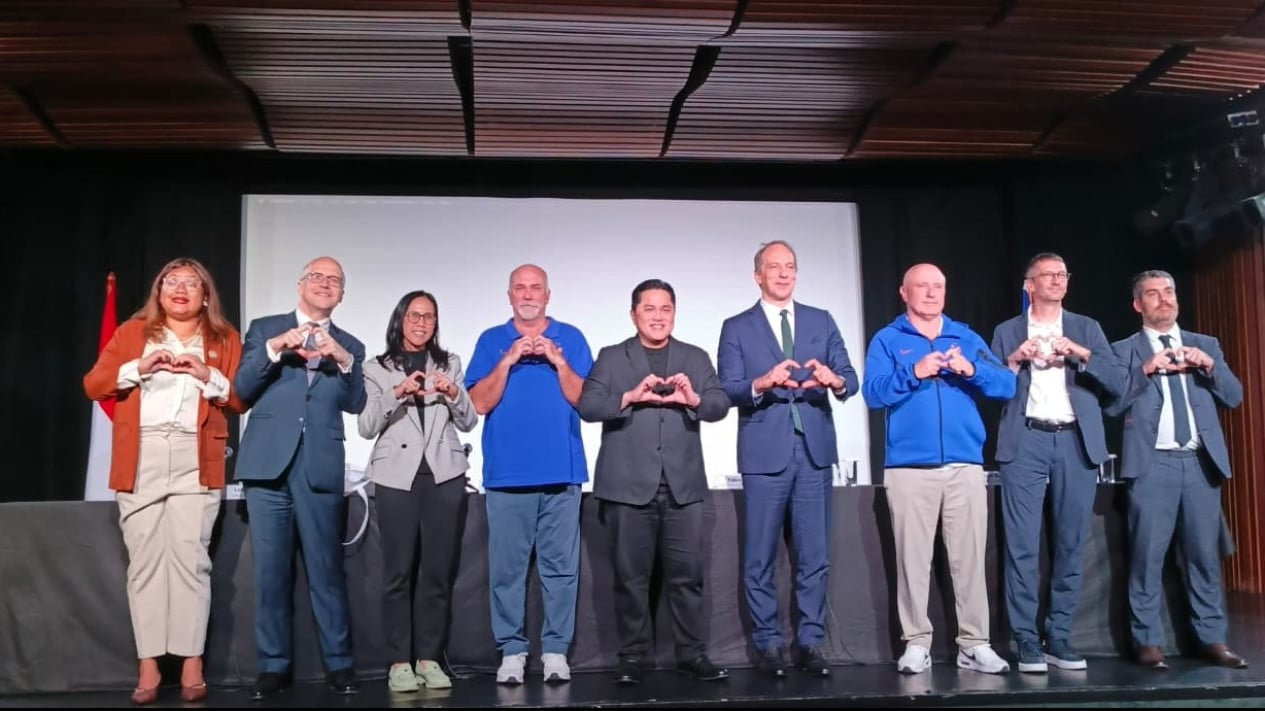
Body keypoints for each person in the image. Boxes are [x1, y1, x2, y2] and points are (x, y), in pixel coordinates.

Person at [82, 258, 243, 705]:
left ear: (206, 295)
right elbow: (93, 385)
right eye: (171, 281)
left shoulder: (224, 338)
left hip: (197, 456)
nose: (180, 289)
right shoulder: (133, 333)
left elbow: (240, 397)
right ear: (158, 291)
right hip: (143, 455)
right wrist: (139, 367)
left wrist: (205, 374)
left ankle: (192, 662)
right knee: (146, 562)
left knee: (192, 561)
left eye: (191, 283)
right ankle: (149, 664)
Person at [862, 263, 1015, 676]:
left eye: (938, 286)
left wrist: (970, 369)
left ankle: (975, 644)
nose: (931, 293)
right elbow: (872, 393)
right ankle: (916, 643)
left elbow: (1006, 383)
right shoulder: (888, 339)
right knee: (912, 561)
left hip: (965, 465)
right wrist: (914, 371)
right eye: (922, 287)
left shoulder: (964, 336)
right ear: (904, 293)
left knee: (969, 559)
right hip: (910, 469)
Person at [578, 279, 731, 686]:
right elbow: (588, 405)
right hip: (627, 487)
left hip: (682, 487)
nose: (658, 316)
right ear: (634, 315)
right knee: (630, 579)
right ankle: (632, 658)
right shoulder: (612, 357)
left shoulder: (693, 357)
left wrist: (693, 400)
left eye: (666, 309)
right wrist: (627, 396)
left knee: (687, 577)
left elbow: (719, 403)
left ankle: (692, 654)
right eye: (649, 309)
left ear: (674, 314)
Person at [716, 240, 858, 678]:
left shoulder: (821, 320)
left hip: (813, 450)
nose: (783, 274)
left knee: (813, 555)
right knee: (759, 556)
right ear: (757, 275)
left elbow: (850, 379)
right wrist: (762, 382)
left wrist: (834, 380)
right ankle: (768, 643)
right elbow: (728, 389)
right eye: (774, 267)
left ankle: (810, 642)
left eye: (790, 267)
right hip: (764, 452)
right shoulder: (737, 326)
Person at [233, 256, 367, 699]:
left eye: (335, 281)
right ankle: (272, 666)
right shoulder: (264, 327)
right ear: (300, 285)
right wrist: (275, 348)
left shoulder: (351, 344)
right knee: (271, 573)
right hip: (268, 466)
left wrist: (344, 359)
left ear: (342, 294)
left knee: (326, 572)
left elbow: (354, 403)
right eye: (318, 277)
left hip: (320, 466)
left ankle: (339, 664)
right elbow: (242, 389)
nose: (325, 284)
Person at [1106, 270, 1247, 670]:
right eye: (1153, 294)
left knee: (1204, 556)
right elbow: (1111, 405)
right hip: (1153, 465)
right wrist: (1145, 371)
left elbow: (1234, 397)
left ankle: (1213, 639)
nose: (1164, 299)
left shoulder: (1206, 344)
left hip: (1199, 463)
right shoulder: (1125, 351)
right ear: (1139, 305)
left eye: (1169, 291)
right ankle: (1147, 642)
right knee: (1148, 557)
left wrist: (1210, 368)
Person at [990, 252, 1124, 673]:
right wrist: (1015, 360)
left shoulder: (1087, 328)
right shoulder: (1007, 330)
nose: (1057, 280)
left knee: (1069, 543)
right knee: (1023, 547)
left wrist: (1079, 352)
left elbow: (1118, 382)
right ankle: (1026, 639)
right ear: (1029, 284)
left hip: (1074, 440)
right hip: (1026, 438)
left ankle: (1059, 635)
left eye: (1063, 274)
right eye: (1048, 274)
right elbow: (991, 386)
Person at [464, 264, 593, 685]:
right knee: (507, 570)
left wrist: (557, 362)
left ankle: (556, 651)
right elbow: (478, 404)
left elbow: (585, 402)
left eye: (535, 287)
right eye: (520, 287)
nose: (528, 293)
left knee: (561, 571)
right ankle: (513, 651)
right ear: (509, 296)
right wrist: (510, 359)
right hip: (506, 477)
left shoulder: (570, 338)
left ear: (548, 295)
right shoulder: (490, 340)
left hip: (562, 473)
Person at [358, 290, 477, 692]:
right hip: (396, 477)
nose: (421, 323)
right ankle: (398, 662)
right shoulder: (376, 367)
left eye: (428, 317)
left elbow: (469, 421)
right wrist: (398, 392)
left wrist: (454, 393)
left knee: (437, 573)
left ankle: (428, 658)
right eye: (414, 316)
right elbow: (366, 425)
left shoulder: (450, 363)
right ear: (400, 320)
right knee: (397, 572)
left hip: (444, 476)